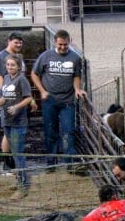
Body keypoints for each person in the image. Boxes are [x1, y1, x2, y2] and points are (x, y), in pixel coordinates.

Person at [31, 29, 86, 168]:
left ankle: (70, 163)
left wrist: (77, 89)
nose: (62, 47)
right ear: (55, 42)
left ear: (70, 42)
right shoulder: (45, 56)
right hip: (49, 101)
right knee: (51, 132)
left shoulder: (75, 58)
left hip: (67, 101)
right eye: (60, 44)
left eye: (65, 45)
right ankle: (51, 163)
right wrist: (42, 91)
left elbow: (76, 76)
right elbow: (34, 74)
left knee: (68, 131)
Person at [0, 54, 33, 200]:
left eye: (12, 65)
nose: (9, 67)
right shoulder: (7, 78)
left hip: (18, 122)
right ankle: (20, 181)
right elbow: (5, 96)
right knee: (14, 153)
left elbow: (28, 98)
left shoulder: (22, 80)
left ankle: (23, 186)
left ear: (19, 66)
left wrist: (16, 107)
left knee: (18, 154)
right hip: (7, 121)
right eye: (8, 65)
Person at [0, 32, 36, 171]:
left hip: (18, 100)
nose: (18, 45)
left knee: (13, 132)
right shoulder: (1, 57)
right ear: (9, 41)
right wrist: (8, 94)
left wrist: (30, 99)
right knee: (8, 133)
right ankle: (8, 162)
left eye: (20, 43)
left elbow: (23, 82)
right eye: (16, 42)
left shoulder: (19, 59)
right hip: (8, 101)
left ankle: (15, 163)